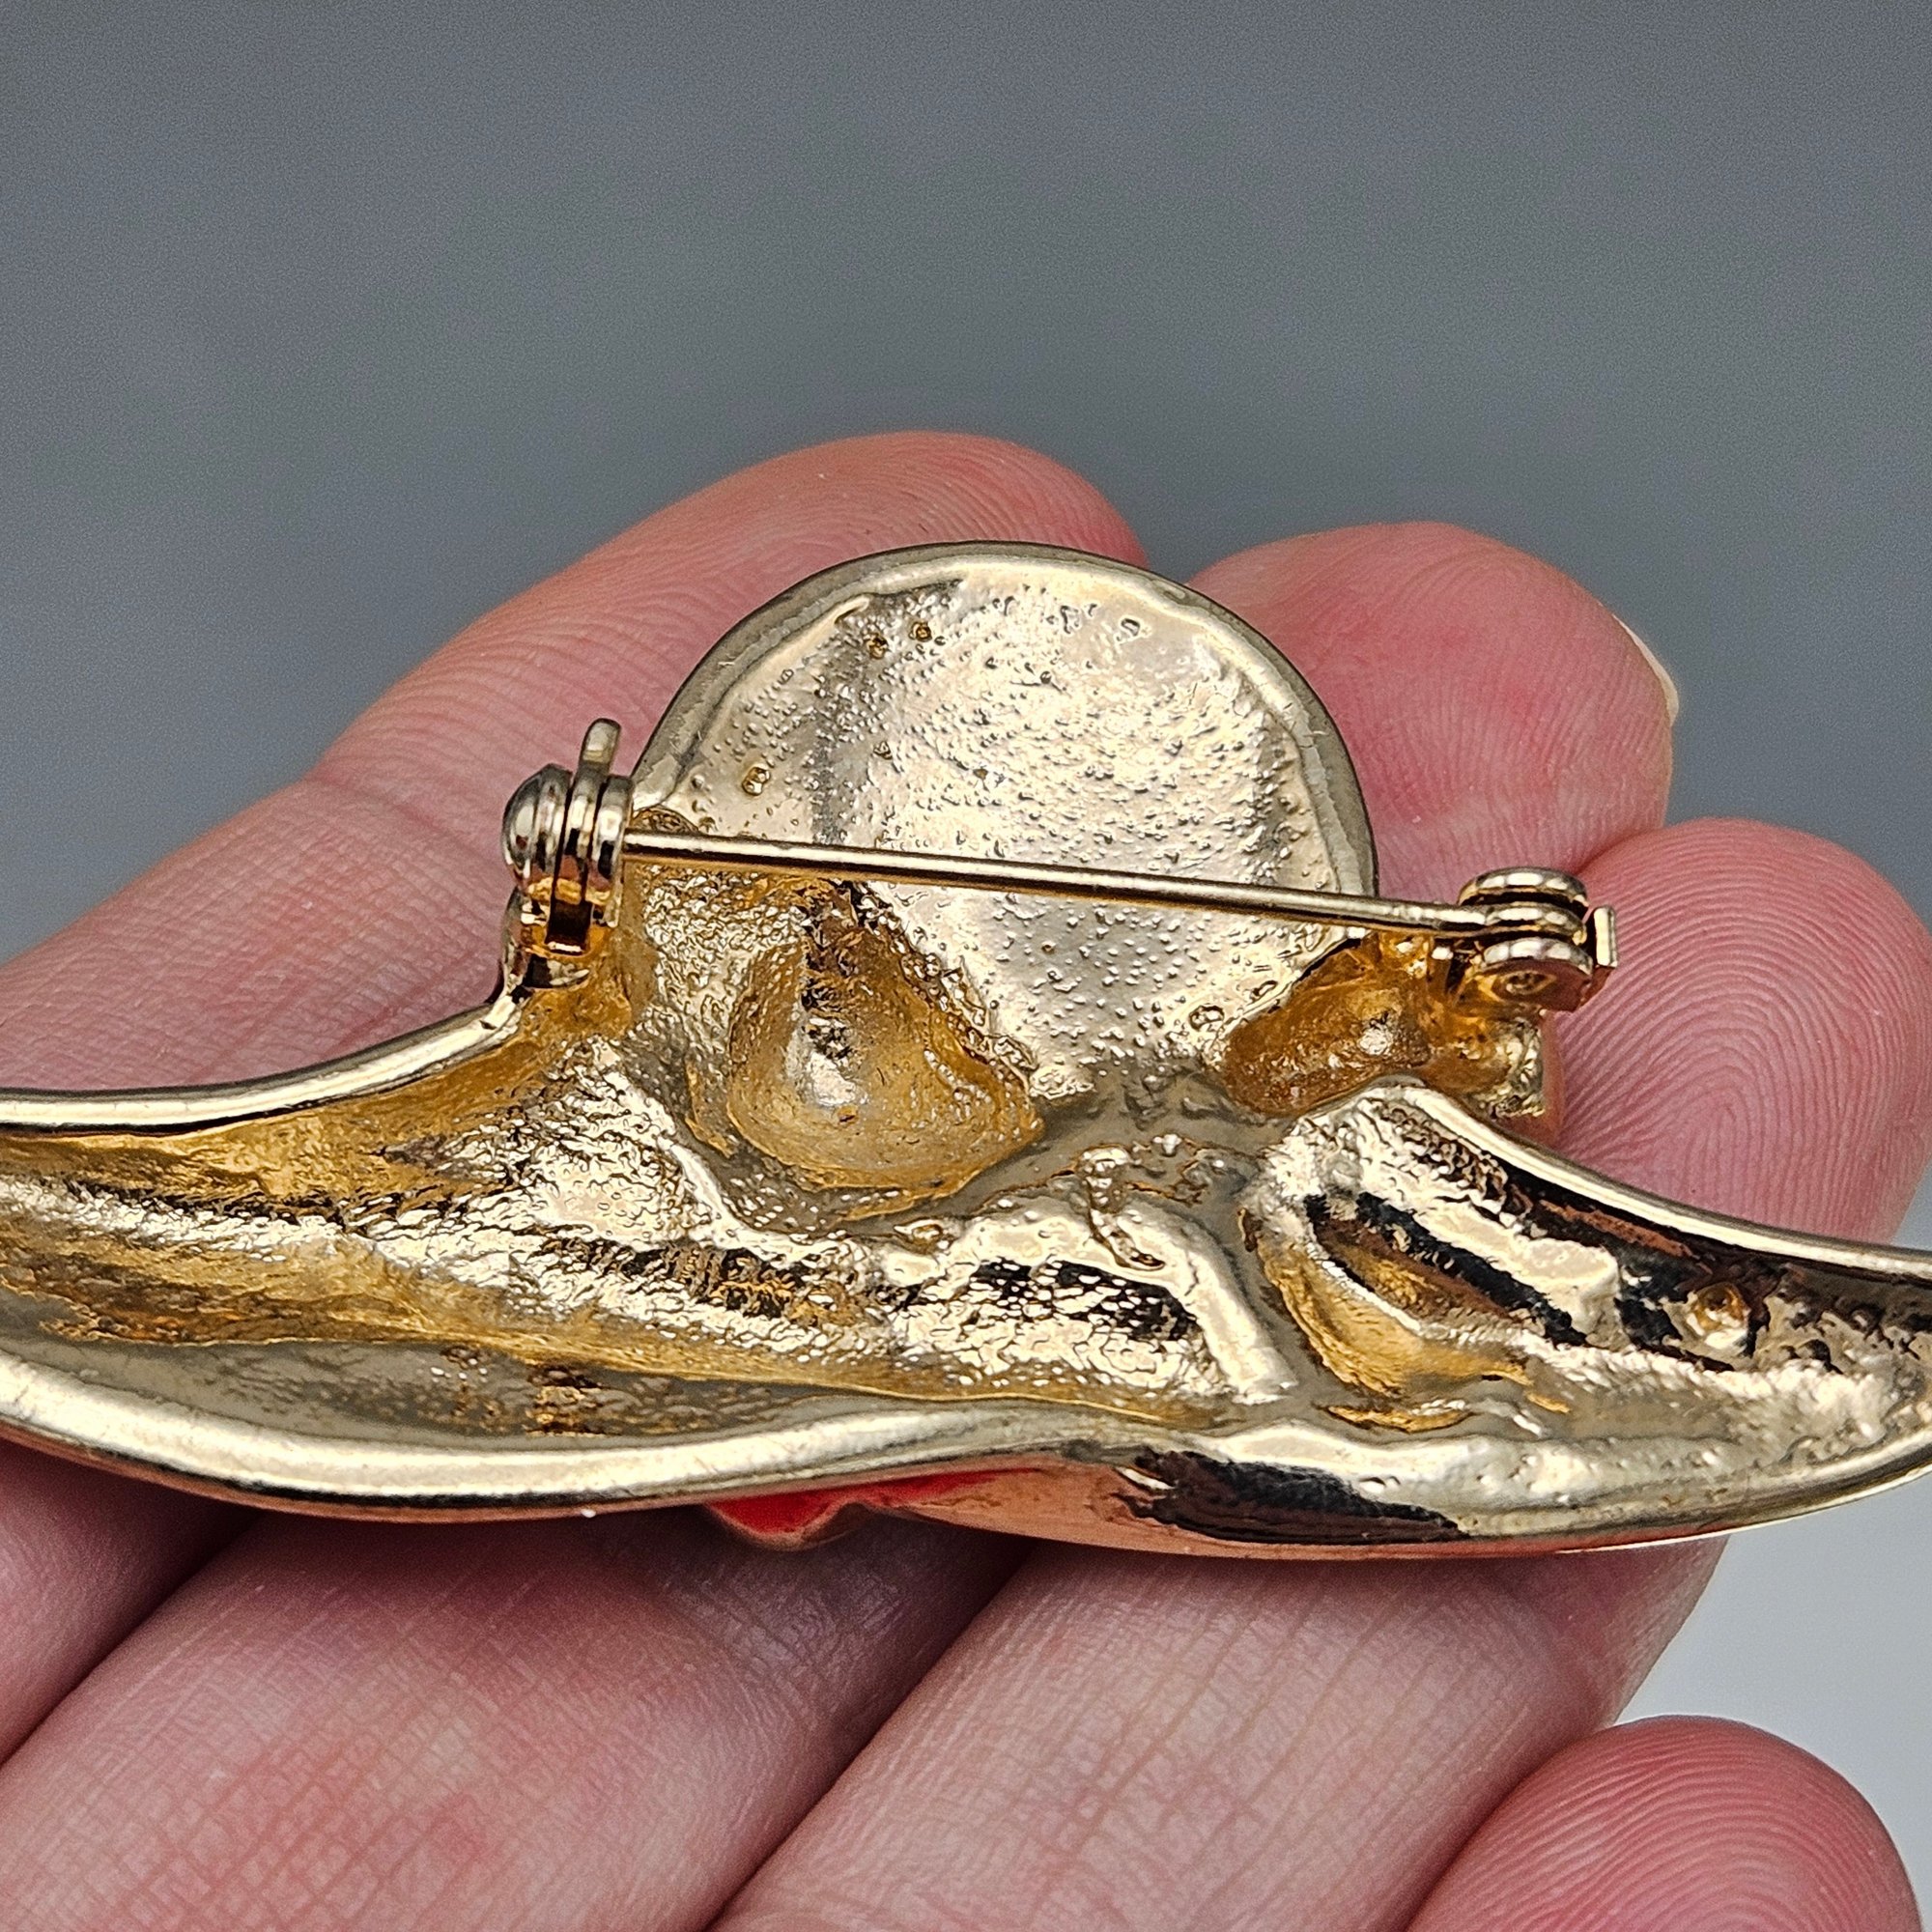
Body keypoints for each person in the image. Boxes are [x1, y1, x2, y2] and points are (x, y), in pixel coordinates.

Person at [0, 432, 1922, 1930]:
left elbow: (1393, 1130)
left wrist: (1469, 1003)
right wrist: (574, 931)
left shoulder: (1248, 1160)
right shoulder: (669, 1104)